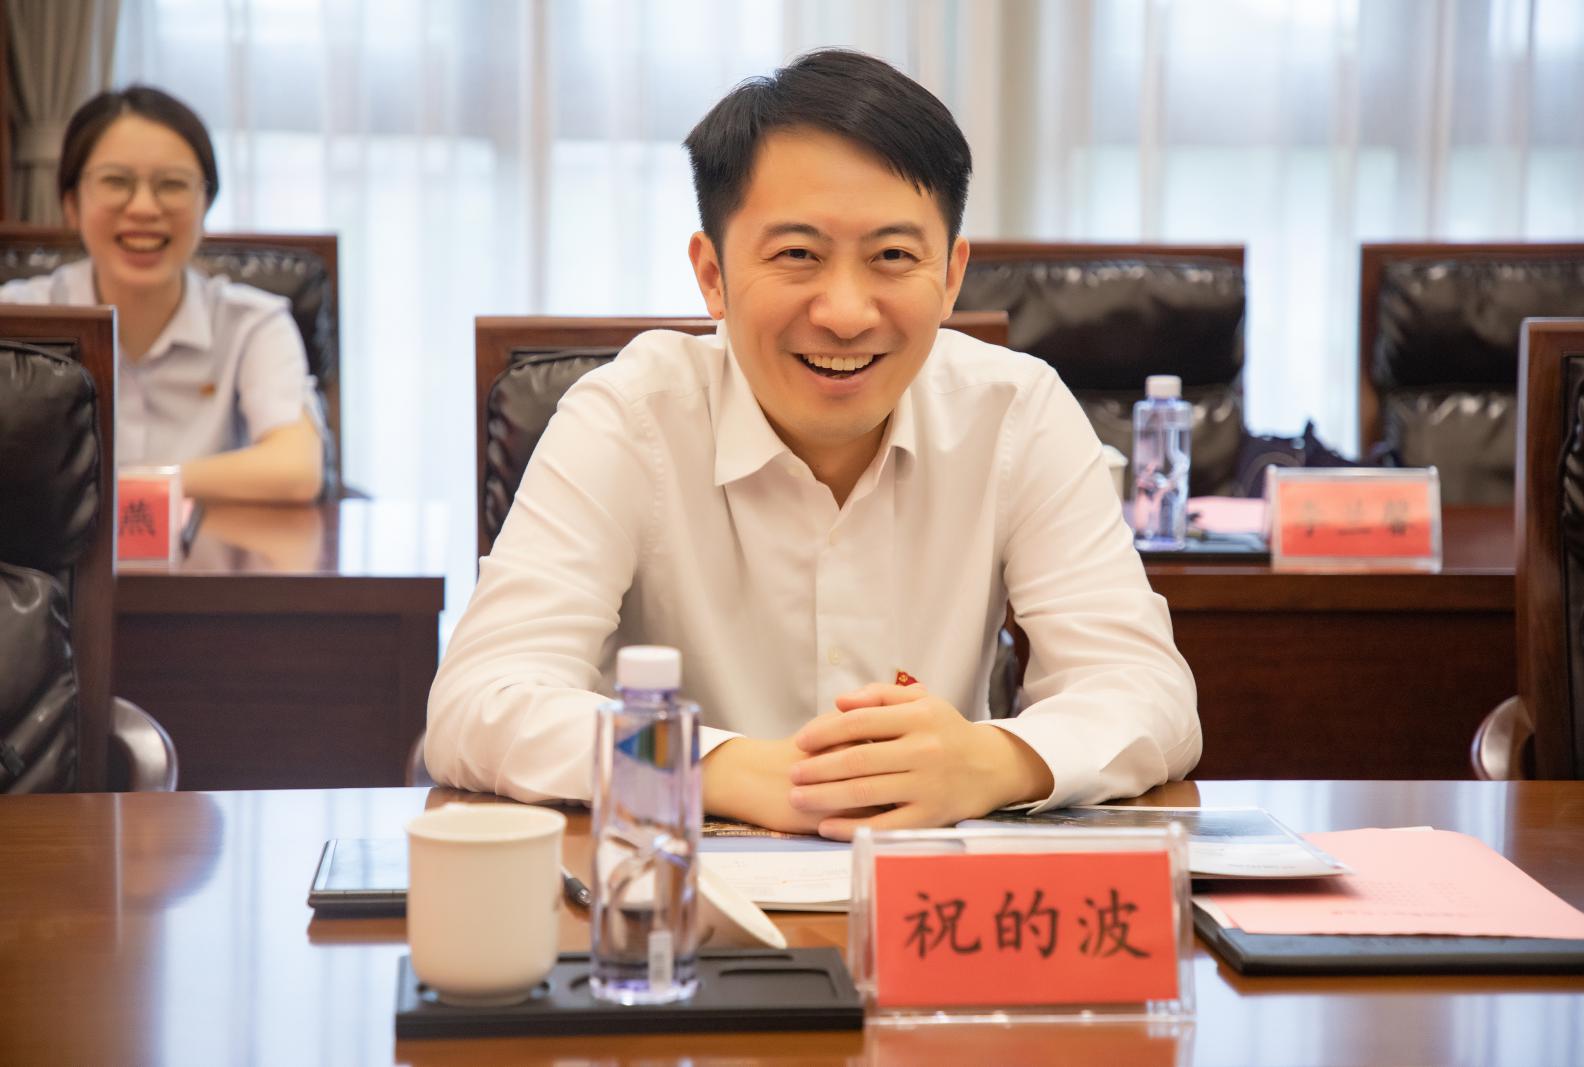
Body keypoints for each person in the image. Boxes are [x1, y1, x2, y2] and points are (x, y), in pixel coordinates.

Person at [425, 49, 1200, 839]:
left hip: (927, 896)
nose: (845, 312)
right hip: (674, 892)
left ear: (950, 275)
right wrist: (715, 768)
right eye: (797, 254)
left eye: (892, 256)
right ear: (713, 274)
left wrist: (994, 761)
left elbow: (1149, 692)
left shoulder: (1016, 412)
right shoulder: (628, 418)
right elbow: (478, 704)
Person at [0, 86, 324, 503]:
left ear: (205, 205)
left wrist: (132, 486)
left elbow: (296, 469)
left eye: (172, 184)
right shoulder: (17, 317)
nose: (144, 208)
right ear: (71, 204)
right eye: (116, 181)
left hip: (209, 545)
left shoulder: (252, 322)